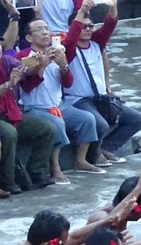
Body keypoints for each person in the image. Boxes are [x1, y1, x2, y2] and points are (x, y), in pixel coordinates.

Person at [17, 16, 100, 183]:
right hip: (34, 107)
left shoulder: (58, 51)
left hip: (58, 105)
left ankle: (80, 160)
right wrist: (43, 64)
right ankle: (55, 168)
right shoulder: (24, 56)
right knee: (57, 124)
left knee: (87, 119)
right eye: (39, 30)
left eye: (47, 28)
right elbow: (27, 86)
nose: (45, 32)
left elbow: (68, 83)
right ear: (29, 37)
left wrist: (63, 65)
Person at [63, 0, 141, 165]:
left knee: (137, 119)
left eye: (90, 26)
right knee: (100, 124)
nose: (86, 29)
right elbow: (70, 39)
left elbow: (110, 25)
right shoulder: (68, 48)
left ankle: (107, 148)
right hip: (79, 100)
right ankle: (93, 155)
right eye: (82, 26)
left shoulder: (96, 43)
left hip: (102, 98)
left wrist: (113, 6)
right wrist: (82, 11)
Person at [0, 27, 55, 193]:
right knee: (9, 133)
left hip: (11, 111)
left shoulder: (6, 61)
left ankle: (37, 171)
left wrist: (39, 63)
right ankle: (8, 181)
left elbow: (26, 69)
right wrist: (8, 85)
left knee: (47, 128)